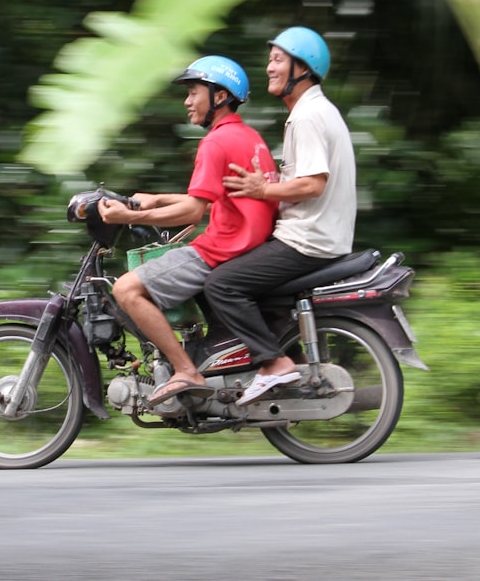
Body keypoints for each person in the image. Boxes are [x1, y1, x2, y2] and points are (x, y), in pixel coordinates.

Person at [98, 55, 279, 406]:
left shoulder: (215, 142)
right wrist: (154, 200)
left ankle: (185, 371)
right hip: (246, 244)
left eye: (194, 91)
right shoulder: (249, 137)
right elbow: (216, 200)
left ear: (220, 96)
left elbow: (193, 210)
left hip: (221, 249)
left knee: (127, 289)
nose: (187, 101)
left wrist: (124, 217)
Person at [203, 26, 357, 407]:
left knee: (221, 284)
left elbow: (312, 184)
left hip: (308, 239)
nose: (269, 68)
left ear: (302, 67)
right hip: (316, 234)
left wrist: (262, 190)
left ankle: (274, 363)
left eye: (277, 60)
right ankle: (282, 365)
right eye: (270, 60)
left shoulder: (307, 116)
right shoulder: (316, 111)